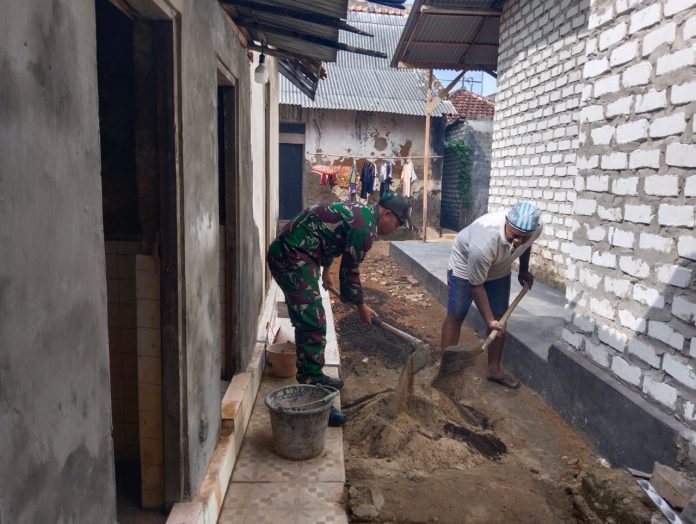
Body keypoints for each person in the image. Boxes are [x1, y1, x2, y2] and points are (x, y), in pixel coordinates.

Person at [267, 192, 412, 425]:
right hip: (291, 256)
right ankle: (313, 392)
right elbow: (350, 272)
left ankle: (312, 374)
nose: (396, 229)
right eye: (398, 223)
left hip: (299, 253)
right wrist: (361, 307)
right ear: (386, 214)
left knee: (307, 317)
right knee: (313, 320)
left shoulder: (361, 213)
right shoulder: (365, 229)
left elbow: (331, 237)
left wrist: (325, 271)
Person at [440, 202, 542, 389]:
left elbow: (526, 246)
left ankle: (494, 369)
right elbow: (476, 285)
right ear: (506, 223)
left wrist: (523, 270)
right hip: (465, 266)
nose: (518, 241)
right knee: (457, 314)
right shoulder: (484, 243)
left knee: (500, 318)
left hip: (499, 269)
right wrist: (488, 321)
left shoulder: (535, 230)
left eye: (524, 237)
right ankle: (445, 370)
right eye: (514, 235)